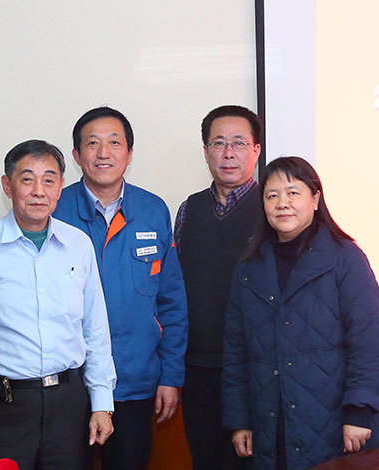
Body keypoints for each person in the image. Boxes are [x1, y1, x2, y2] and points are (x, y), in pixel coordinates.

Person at [0, 139, 116, 470]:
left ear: (60, 187)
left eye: (48, 180)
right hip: (1, 409)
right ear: (7, 186)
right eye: (27, 179)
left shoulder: (78, 245)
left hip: (68, 407)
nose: (38, 191)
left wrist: (102, 403)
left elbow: (95, 331)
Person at [222, 156, 379, 469]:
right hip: (268, 423)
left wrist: (360, 410)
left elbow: (369, 341)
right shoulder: (249, 268)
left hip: (335, 423)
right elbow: (235, 352)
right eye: (272, 195)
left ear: (315, 199)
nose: (282, 203)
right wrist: (239, 420)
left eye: (293, 193)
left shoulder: (346, 258)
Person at [53, 107, 188, 469]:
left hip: (135, 381)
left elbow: (171, 302)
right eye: (92, 143)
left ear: (129, 154)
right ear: (76, 154)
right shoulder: (55, 209)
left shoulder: (152, 209)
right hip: (69, 386)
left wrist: (170, 376)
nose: (104, 153)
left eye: (114, 143)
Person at [174, 105, 263, 469]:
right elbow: (175, 286)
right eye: (219, 143)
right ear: (206, 151)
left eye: (239, 143)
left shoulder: (273, 207)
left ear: (256, 150)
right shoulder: (188, 209)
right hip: (198, 368)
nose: (228, 153)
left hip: (256, 368)